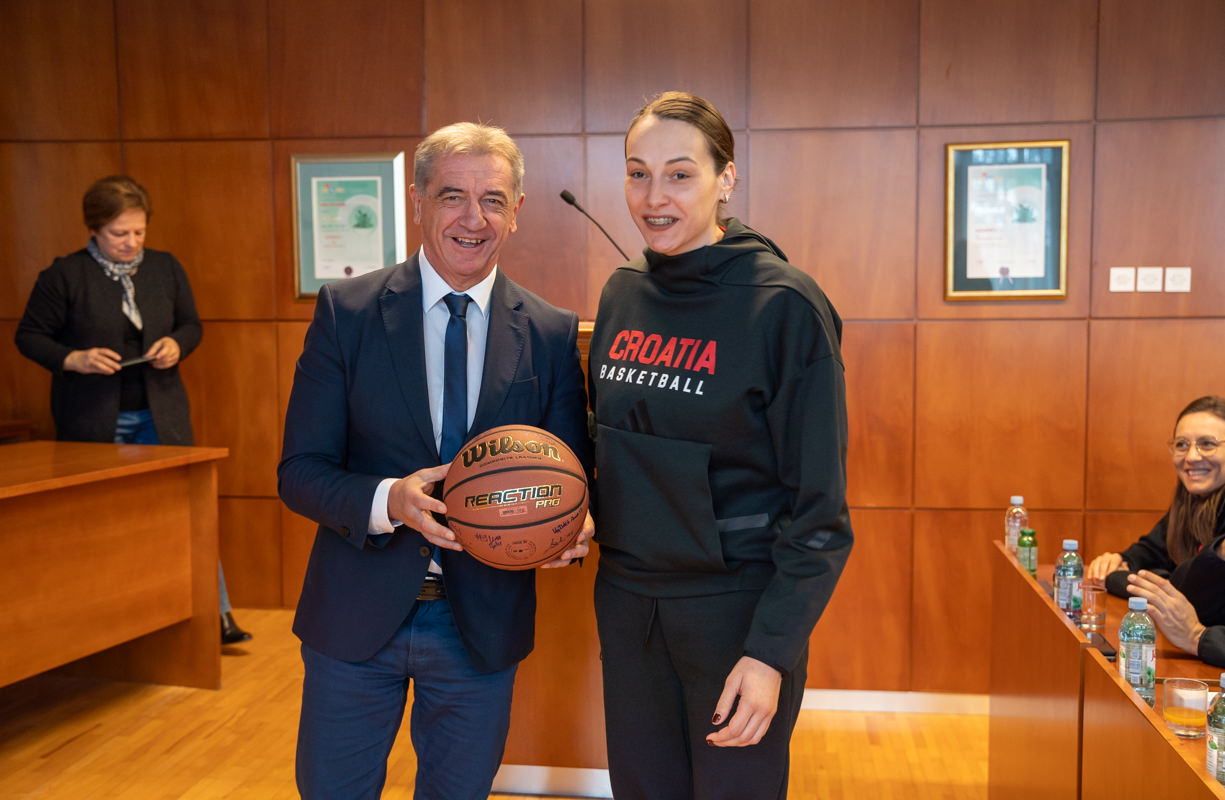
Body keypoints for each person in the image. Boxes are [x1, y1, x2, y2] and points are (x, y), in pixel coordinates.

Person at [278, 122, 594, 800]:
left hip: (479, 625)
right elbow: (300, 472)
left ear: (516, 210)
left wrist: (573, 525)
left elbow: (571, 476)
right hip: (354, 617)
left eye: (493, 200)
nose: (472, 218)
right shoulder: (348, 313)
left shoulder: (548, 332)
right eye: (453, 196)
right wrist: (388, 500)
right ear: (418, 199)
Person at [586, 91, 853, 800]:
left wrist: (769, 654)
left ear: (725, 179)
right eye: (637, 173)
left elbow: (820, 513)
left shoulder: (784, 306)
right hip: (628, 603)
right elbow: (608, 446)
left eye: (680, 174)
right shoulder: (621, 294)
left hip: (735, 612)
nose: (654, 197)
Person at [14, 174, 252, 646]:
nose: (131, 242)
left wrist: (177, 345)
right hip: (92, 421)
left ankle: (216, 615)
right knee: (102, 523)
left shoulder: (164, 268)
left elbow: (191, 325)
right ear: (94, 229)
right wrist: (74, 358)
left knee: (186, 515)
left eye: (139, 231)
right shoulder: (65, 275)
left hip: (160, 416)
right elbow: (29, 336)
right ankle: (111, 626)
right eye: (118, 233)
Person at [1085, 395, 1225, 666]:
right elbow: (1146, 556)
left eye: (1207, 444)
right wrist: (1123, 564)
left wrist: (1159, 584)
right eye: (1181, 444)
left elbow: (1188, 595)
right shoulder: (1190, 503)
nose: (1191, 456)